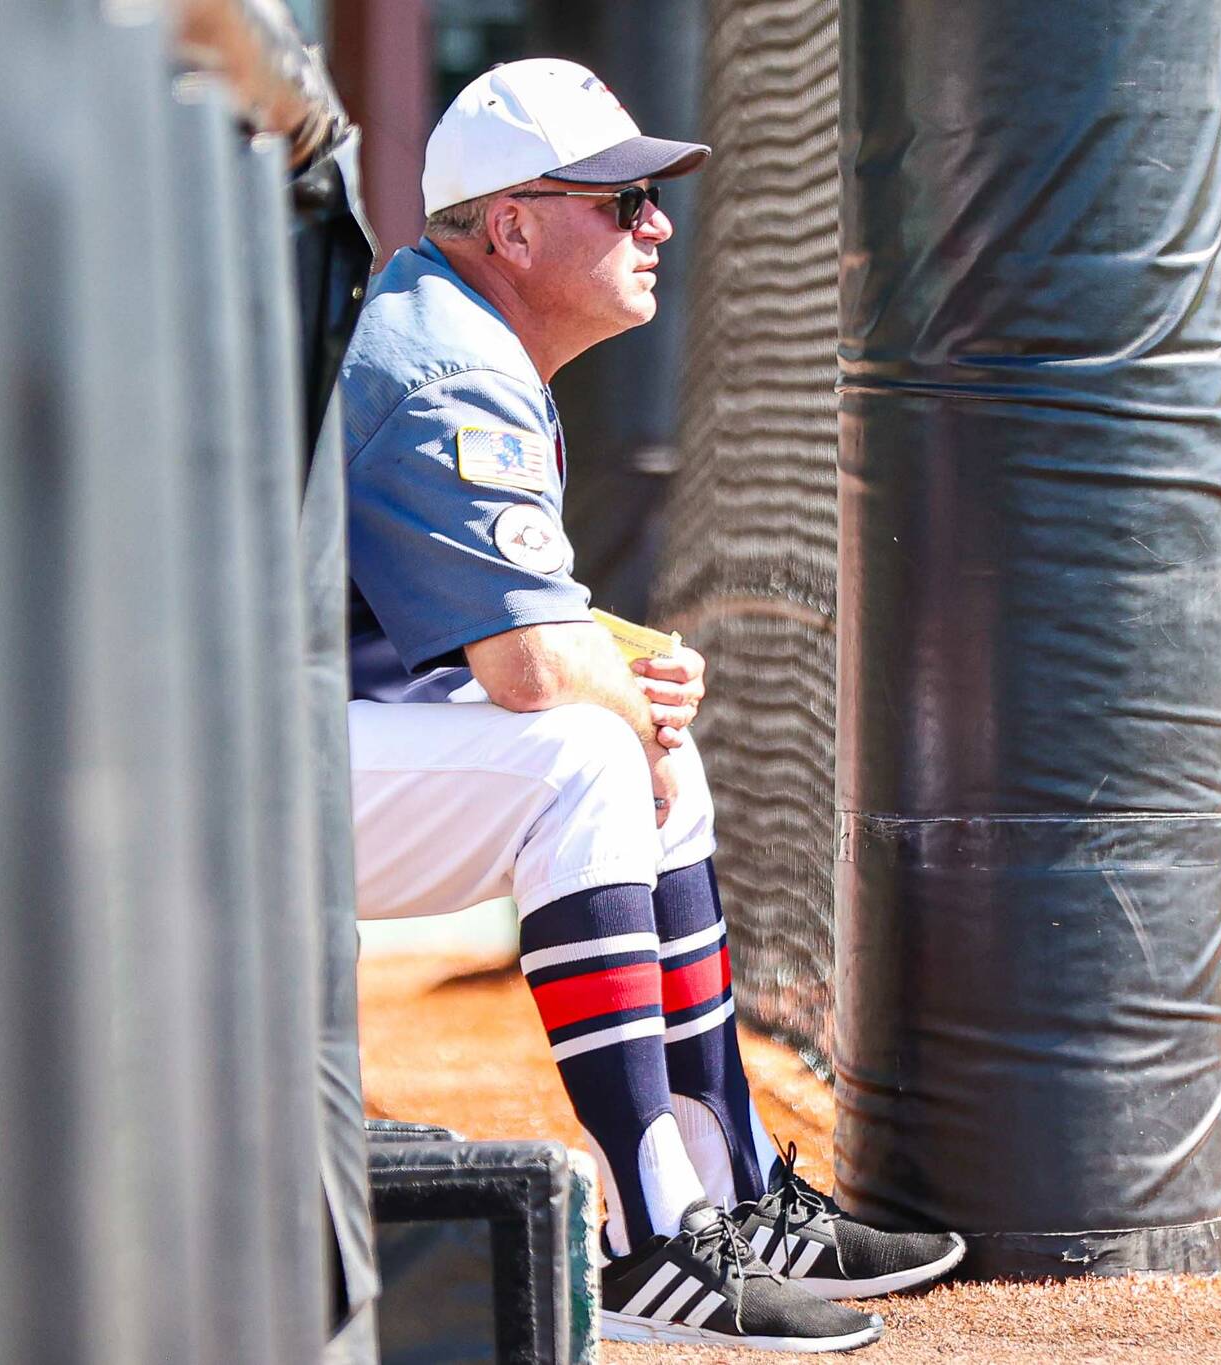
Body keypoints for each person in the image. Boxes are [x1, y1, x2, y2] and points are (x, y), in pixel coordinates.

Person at [339, 59, 964, 1351]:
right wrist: (618, 695)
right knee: (590, 755)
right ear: (510, 226)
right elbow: (526, 671)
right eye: (620, 202)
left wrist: (621, 662)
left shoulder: (455, 325)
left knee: (636, 746)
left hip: (269, 739)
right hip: (195, 786)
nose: (657, 224)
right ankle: (652, 1238)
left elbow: (493, 620)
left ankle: (724, 1191)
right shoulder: (450, 362)